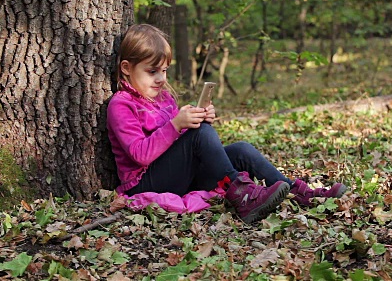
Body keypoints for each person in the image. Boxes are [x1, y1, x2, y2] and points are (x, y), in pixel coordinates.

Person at [107, 24, 347, 223]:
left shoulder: (164, 98)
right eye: (152, 71)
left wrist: (195, 120)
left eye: (164, 70)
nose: (160, 79)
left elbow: (180, 145)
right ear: (127, 68)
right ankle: (243, 197)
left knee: (240, 149)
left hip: (178, 174)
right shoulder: (122, 104)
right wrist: (178, 125)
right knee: (200, 134)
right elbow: (140, 154)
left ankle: (293, 190)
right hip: (144, 182)